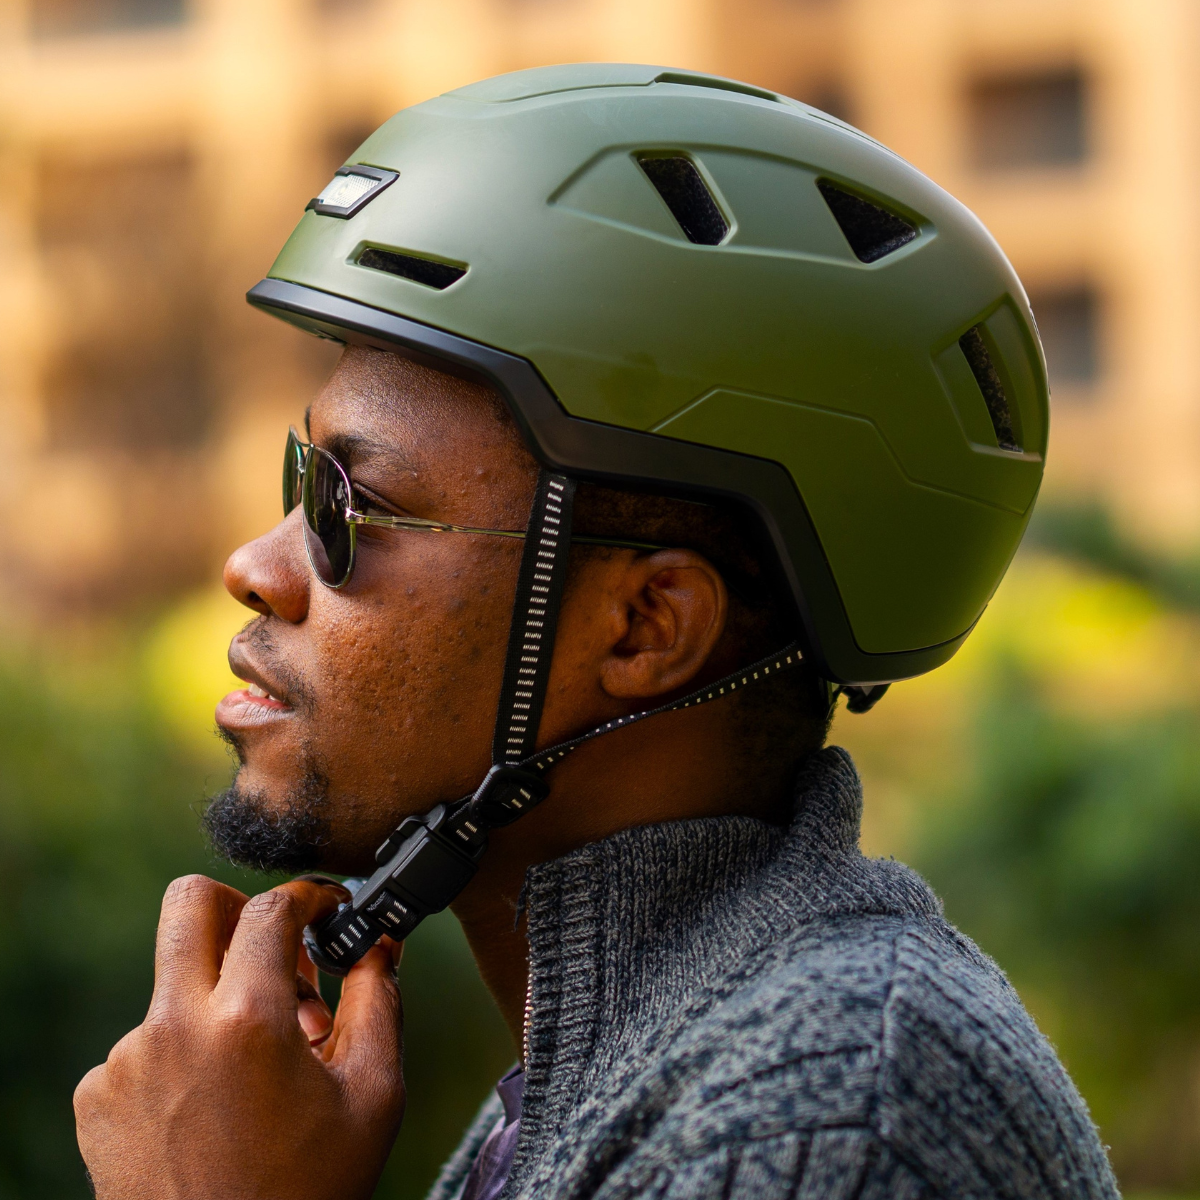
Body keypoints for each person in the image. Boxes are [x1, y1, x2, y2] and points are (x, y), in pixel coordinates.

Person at [74, 64, 1118, 1199]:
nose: (255, 567)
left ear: (646, 629)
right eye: (298, 475)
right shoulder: (617, 1080)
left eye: (348, 505)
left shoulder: (840, 1108)